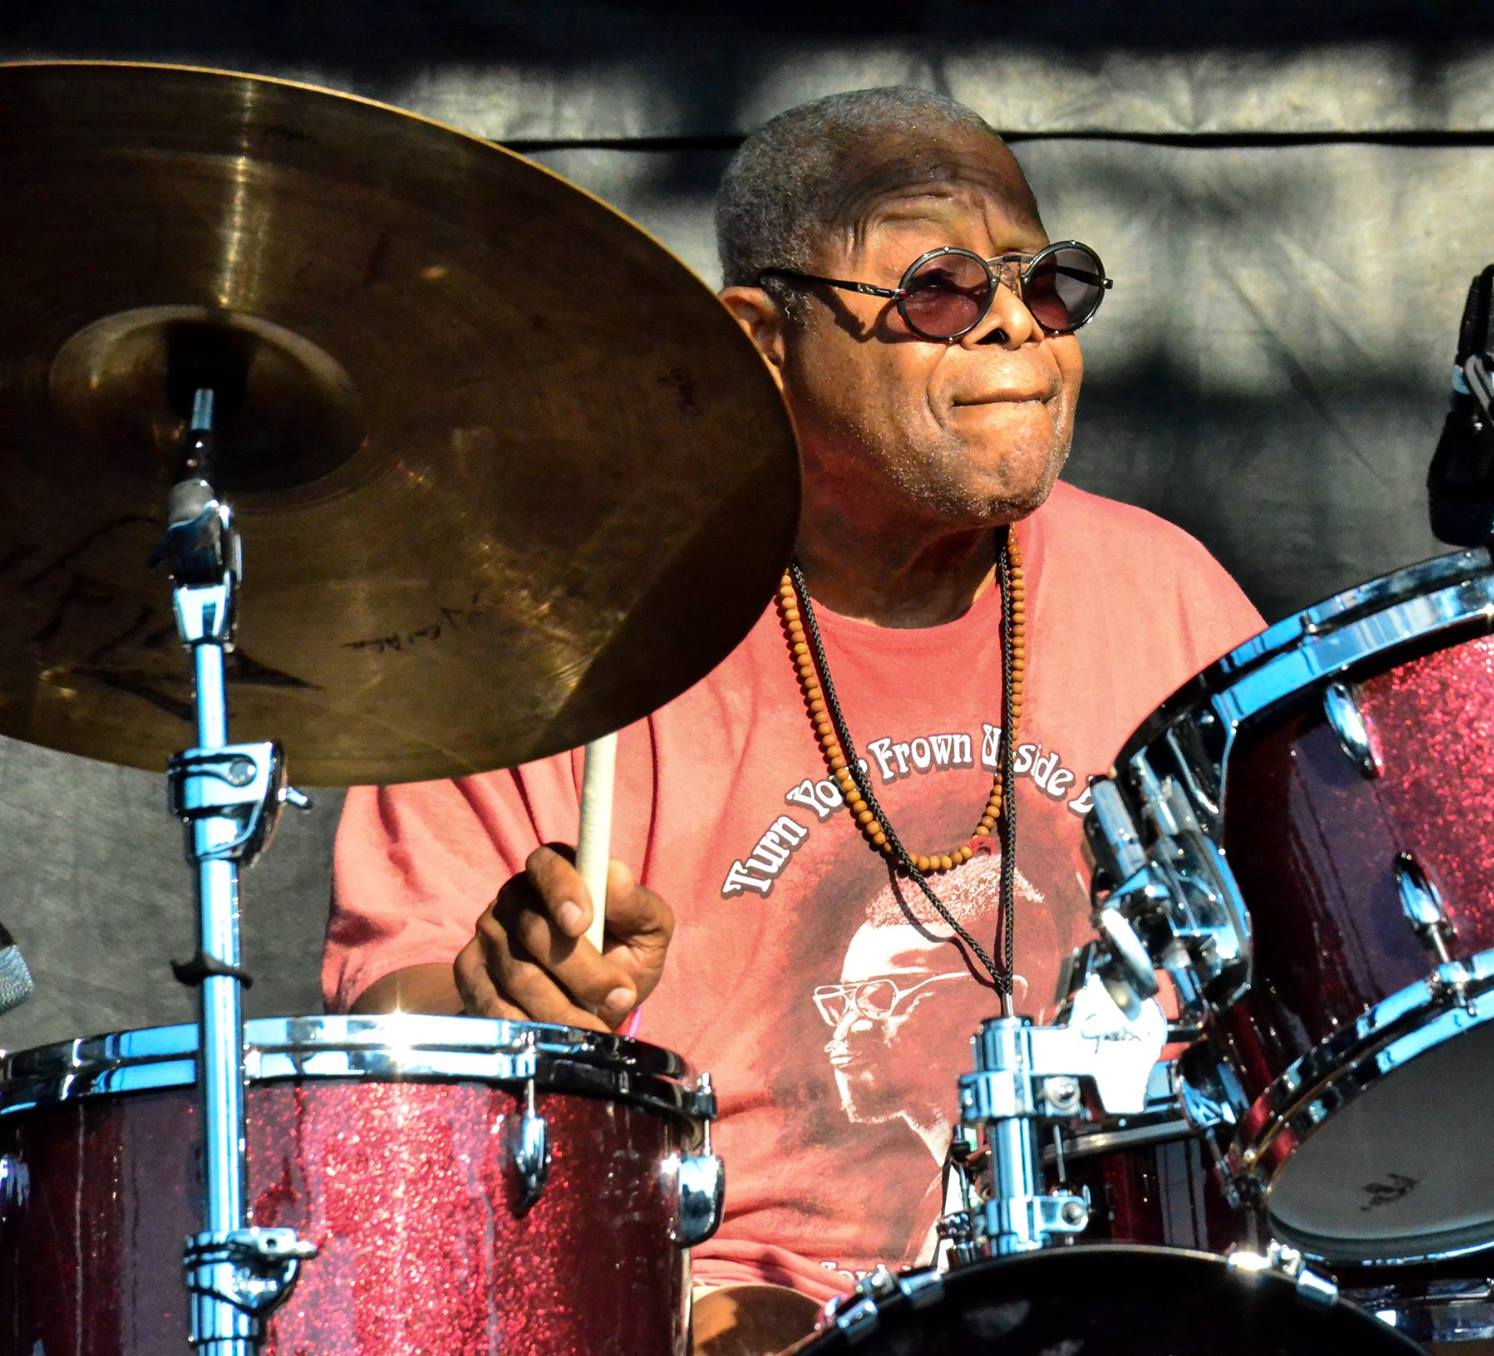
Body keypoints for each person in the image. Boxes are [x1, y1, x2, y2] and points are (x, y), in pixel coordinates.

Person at [323, 85, 1264, 1308]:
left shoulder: (1163, 589)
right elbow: (380, 1038)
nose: (1015, 333)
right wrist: (488, 999)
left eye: (1046, 285)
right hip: (736, 1315)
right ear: (763, 341)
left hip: (1137, 1293)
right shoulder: (569, 635)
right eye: (938, 289)